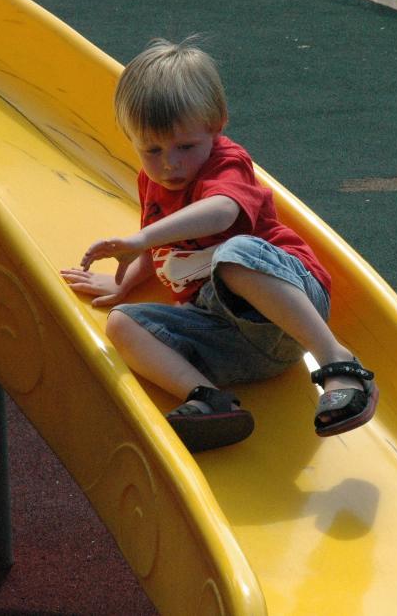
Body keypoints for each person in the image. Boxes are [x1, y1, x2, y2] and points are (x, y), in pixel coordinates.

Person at [61, 38, 377, 452]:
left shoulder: (226, 163)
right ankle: (209, 400)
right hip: (235, 344)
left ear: (216, 123)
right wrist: (126, 283)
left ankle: (339, 363)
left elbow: (222, 212)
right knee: (121, 322)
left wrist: (140, 238)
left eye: (185, 146)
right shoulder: (152, 181)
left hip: (289, 303)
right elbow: (167, 252)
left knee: (233, 256)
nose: (170, 163)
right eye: (151, 149)